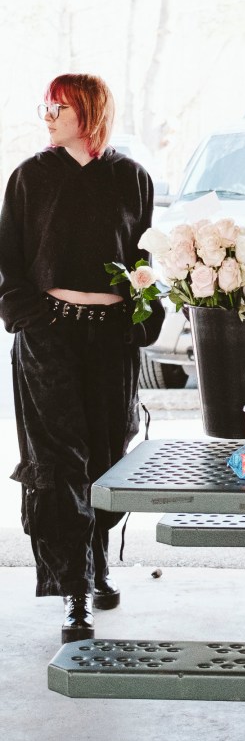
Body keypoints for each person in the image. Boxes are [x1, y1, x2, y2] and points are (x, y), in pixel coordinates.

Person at [0, 73, 164, 642]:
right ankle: (73, 590)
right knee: (59, 462)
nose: (46, 113)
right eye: (44, 104)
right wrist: (29, 317)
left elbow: (147, 259)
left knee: (105, 455)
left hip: (112, 337)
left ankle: (98, 566)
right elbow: (10, 263)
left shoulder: (130, 177)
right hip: (49, 337)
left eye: (59, 106)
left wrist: (147, 316)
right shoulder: (30, 177)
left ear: (89, 111)